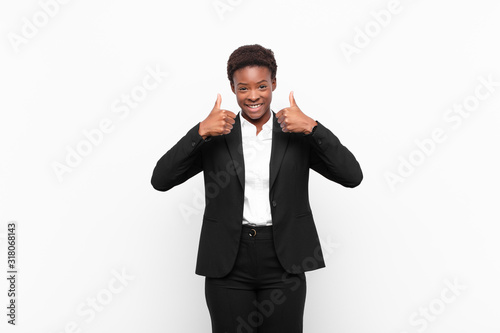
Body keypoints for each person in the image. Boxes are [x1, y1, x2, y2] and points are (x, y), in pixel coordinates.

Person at [151, 44, 362, 332]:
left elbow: (352, 175)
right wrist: (199, 132)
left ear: (274, 83)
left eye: (262, 86)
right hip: (228, 263)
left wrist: (313, 127)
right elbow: (161, 179)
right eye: (243, 88)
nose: (253, 96)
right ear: (232, 88)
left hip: (283, 261)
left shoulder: (296, 133)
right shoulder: (216, 134)